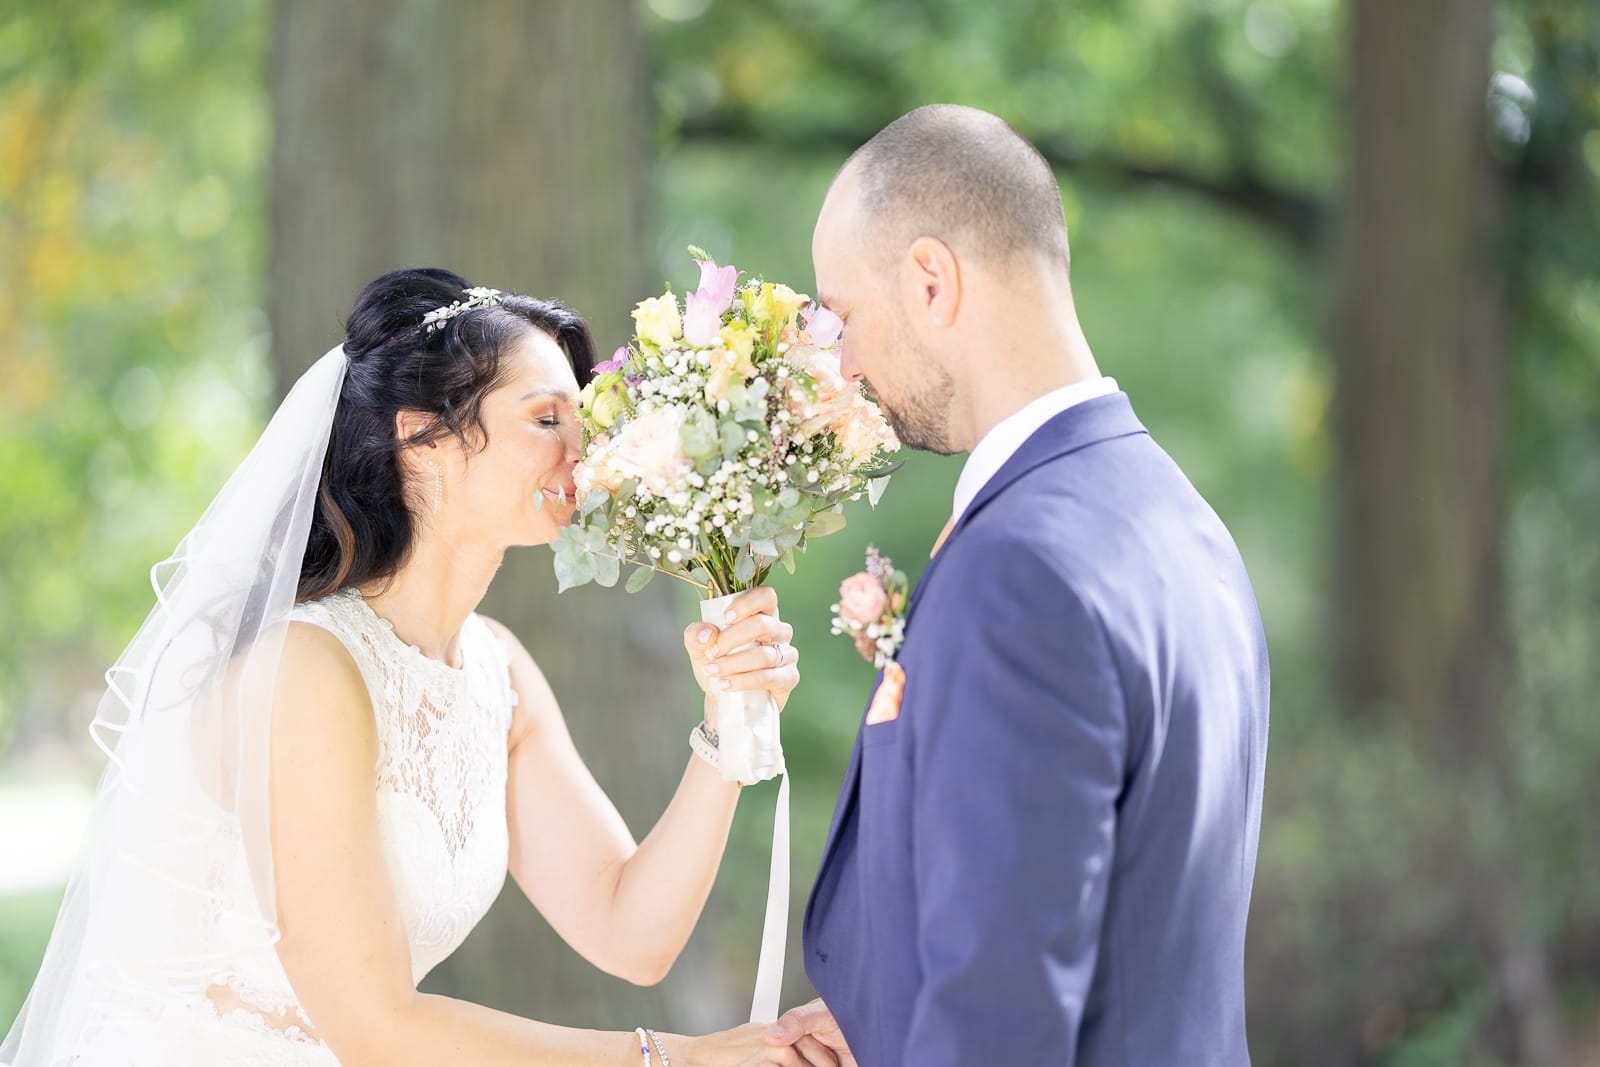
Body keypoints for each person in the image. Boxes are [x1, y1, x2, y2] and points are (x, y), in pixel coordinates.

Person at [0, 269, 819, 1066]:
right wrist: (676, 1058)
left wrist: (729, 720)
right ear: (420, 435)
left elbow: (630, 930)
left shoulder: (498, 671)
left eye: (584, 421)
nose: (587, 453)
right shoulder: (305, 670)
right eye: (546, 419)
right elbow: (378, 1029)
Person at [764, 105, 1272, 1066]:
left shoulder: (1018, 568)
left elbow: (1002, 1015)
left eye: (841, 316)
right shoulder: (1184, 525)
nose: (841, 361)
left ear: (930, 280)